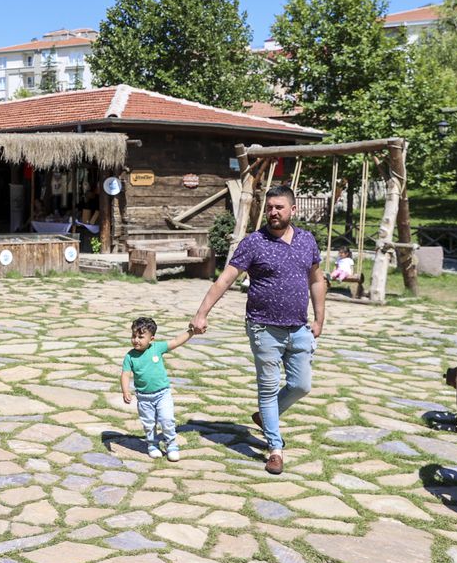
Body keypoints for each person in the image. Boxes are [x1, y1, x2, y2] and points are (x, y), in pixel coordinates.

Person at [190, 184, 325, 475]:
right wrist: (201, 314)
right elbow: (225, 280)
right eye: (270, 207)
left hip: (299, 327)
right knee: (267, 386)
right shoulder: (254, 242)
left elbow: (317, 280)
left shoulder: (306, 241)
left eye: (279, 207)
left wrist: (319, 319)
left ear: (293, 209)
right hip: (264, 327)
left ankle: (266, 416)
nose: (273, 212)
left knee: (301, 385)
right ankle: (275, 449)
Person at [121, 315, 195, 461]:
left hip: (163, 394)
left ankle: (172, 445)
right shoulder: (130, 357)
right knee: (148, 423)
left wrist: (191, 332)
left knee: (167, 420)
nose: (136, 340)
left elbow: (175, 342)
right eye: (134, 336)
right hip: (144, 397)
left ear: (151, 339)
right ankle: (153, 445)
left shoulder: (157, 348)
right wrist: (125, 390)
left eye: (141, 337)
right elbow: (125, 374)